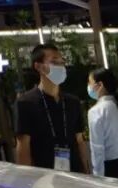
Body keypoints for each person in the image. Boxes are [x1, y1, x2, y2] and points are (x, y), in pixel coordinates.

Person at [16, 43, 89, 172]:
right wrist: (26, 178)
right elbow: (23, 145)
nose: (60, 67)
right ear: (38, 66)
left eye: (62, 63)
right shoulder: (26, 103)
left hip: (75, 173)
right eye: (54, 62)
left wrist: (86, 171)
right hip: (44, 174)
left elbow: (80, 140)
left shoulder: (72, 102)